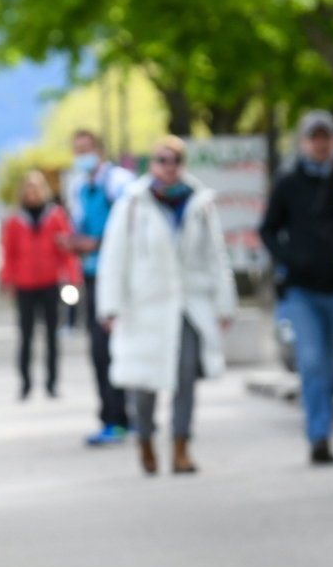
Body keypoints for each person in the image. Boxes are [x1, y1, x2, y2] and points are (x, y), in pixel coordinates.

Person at [96, 136, 237, 476]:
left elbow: (216, 256)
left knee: (185, 377)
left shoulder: (200, 203)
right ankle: (145, 439)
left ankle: (181, 447)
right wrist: (110, 306)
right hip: (145, 306)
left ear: (182, 164)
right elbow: (114, 257)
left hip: (189, 304)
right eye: (161, 159)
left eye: (174, 160)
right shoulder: (132, 203)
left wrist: (224, 304)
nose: (168, 166)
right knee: (143, 384)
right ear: (152, 164)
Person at [261, 110, 333, 465]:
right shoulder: (288, 183)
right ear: (304, 142)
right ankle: (319, 436)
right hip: (302, 290)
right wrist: (289, 257)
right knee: (313, 361)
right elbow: (268, 229)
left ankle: (324, 426)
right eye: (314, 137)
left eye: (326, 137)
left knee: (332, 367)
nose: (320, 144)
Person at [65, 129, 136, 445]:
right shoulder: (80, 187)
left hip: (119, 275)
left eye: (86, 149)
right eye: (77, 150)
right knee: (102, 348)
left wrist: (97, 243)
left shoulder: (119, 183)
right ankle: (122, 416)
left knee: (107, 348)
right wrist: (76, 243)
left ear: (100, 151)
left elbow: (130, 226)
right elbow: (80, 227)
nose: (82, 155)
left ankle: (117, 419)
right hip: (92, 275)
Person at [0, 170, 74, 400]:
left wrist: (71, 277)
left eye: (36, 187)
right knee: (26, 335)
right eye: (28, 188)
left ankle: (52, 383)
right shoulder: (14, 219)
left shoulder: (56, 215)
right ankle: (25, 383)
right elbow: (8, 253)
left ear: (43, 190)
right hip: (25, 285)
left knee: (52, 335)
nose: (32, 192)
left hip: (50, 283)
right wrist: (7, 279)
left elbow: (66, 250)